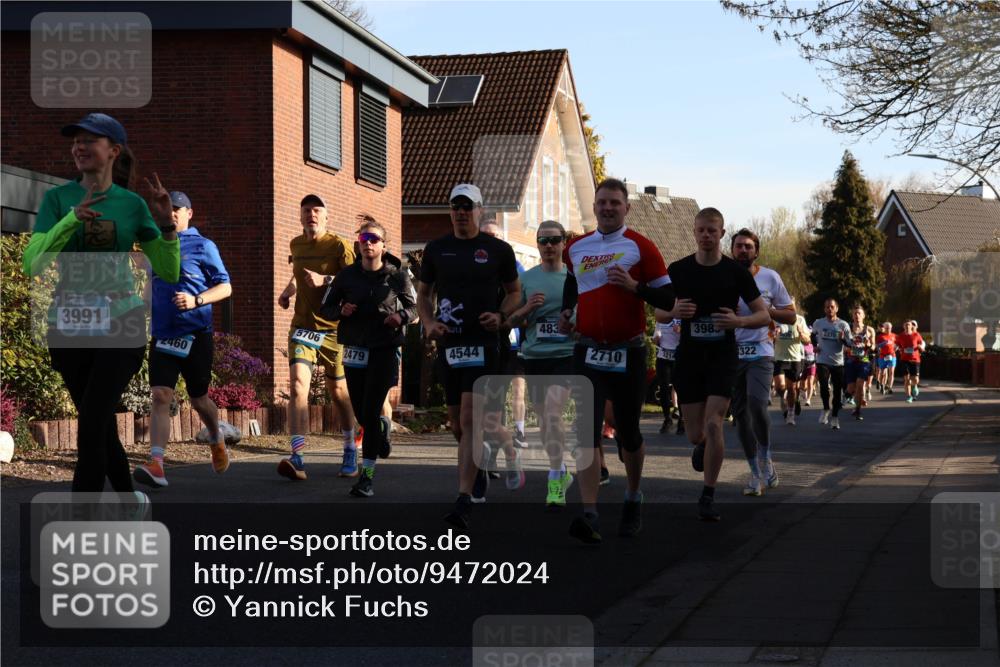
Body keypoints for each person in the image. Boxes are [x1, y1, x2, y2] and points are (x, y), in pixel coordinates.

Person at [23, 112, 179, 492]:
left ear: (113, 151)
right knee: (100, 424)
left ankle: (83, 517)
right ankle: (128, 500)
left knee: (92, 422)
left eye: (89, 140)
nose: (78, 146)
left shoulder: (132, 205)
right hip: (69, 323)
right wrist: (71, 220)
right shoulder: (57, 199)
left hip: (120, 322)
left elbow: (169, 271)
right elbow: (33, 263)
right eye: (75, 141)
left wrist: (167, 225)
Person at [559, 178, 676, 542]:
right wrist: (567, 312)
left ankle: (633, 495)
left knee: (629, 433)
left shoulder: (642, 247)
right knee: (587, 433)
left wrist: (635, 288)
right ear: (594, 207)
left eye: (615, 202)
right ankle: (590, 513)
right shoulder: (576, 247)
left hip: (629, 351)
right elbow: (572, 283)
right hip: (588, 349)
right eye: (602, 202)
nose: (607, 208)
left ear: (627, 208)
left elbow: (669, 299)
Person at [417, 184, 521, 530]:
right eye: (455, 206)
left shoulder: (497, 250)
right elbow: (424, 293)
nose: (461, 212)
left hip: (484, 344)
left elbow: (514, 293)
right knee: (457, 424)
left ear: (479, 209)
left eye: (467, 206)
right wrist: (429, 321)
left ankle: (463, 498)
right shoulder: (437, 249)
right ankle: (477, 462)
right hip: (451, 344)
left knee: (470, 416)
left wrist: (502, 317)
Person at [659, 212, 768, 521]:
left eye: (712, 230)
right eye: (701, 230)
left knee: (714, 422)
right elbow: (659, 314)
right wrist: (675, 309)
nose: (706, 235)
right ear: (694, 232)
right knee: (695, 434)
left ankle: (708, 494)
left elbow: (763, 315)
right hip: (690, 356)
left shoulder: (735, 272)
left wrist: (739, 321)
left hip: (722, 356)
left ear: (721, 233)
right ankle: (702, 447)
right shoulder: (678, 270)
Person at [134, 191, 232, 488]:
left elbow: (225, 287)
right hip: (163, 335)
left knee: (199, 399)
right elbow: (151, 287)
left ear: (190, 213)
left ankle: (216, 436)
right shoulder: (155, 248)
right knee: (161, 395)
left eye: (179, 209)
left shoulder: (204, 246)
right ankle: (157, 464)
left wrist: (195, 300)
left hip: (196, 334)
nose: (173, 213)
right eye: (169, 210)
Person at [321, 217, 416, 497]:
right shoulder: (346, 276)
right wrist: (341, 311)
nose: (368, 244)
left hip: (384, 349)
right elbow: (326, 307)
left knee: (371, 410)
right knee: (363, 414)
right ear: (358, 244)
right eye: (364, 240)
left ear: (383, 245)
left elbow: (414, 310)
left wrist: (399, 316)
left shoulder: (397, 275)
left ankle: (367, 477)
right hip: (355, 349)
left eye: (374, 239)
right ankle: (382, 426)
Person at [276, 194, 358, 481]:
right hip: (303, 327)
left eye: (317, 211)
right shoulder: (296, 244)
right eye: (306, 211)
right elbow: (298, 274)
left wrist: (326, 281)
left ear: (326, 216)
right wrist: (289, 291)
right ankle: (297, 456)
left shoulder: (338, 246)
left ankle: (350, 447)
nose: (311, 215)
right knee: (299, 386)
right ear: (300, 216)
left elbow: (355, 282)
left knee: (338, 393)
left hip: (334, 329)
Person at [507, 220, 576, 508]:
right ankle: (560, 468)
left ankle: (554, 480)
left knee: (551, 412)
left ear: (563, 243)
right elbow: (510, 321)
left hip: (566, 356)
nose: (548, 246)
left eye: (554, 240)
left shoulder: (574, 278)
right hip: (535, 357)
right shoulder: (528, 279)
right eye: (543, 240)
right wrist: (527, 308)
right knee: (547, 423)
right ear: (537, 244)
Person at [729, 229, 796, 497]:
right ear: (732, 250)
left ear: (756, 251)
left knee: (757, 404)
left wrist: (767, 312)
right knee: (741, 418)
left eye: (748, 246)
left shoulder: (770, 277)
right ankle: (754, 475)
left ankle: (766, 457)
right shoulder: (723, 276)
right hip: (732, 353)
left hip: (761, 350)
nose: (743, 250)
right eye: (738, 246)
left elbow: (790, 316)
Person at [479, 219, 530, 450]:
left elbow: (522, 297)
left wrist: (509, 320)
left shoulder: (514, 266)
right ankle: (491, 443)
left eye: (495, 236)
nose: (490, 240)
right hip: (481, 339)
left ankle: (518, 430)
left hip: (512, 339)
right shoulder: (473, 264)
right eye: (485, 235)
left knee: (516, 388)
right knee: (486, 397)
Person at [812, 298, 852, 430]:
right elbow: (813, 335)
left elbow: (850, 343)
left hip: (838, 362)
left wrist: (842, 339)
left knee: (837, 391)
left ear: (837, 309)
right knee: (823, 386)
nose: (830, 309)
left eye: (832, 307)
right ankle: (825, 408)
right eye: (827, 307)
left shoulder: (843, 325)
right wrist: (815, 346)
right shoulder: (819, 323)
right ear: (824, 309)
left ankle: (834, 417)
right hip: (823, 360)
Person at [773, 298, 811, 426]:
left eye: (791, 307)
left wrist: (801, 334)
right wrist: (773, 335)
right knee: (780, 387)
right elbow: (767, 337)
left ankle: (790, 413)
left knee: (792, 388)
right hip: (778, 357)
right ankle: (784, 400)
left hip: (795, 358)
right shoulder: (775, 319)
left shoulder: (800, 320)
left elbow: (807, 341)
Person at [844, 306, 876, 420]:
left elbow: (873, 346)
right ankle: (847, 395)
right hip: (850, 361)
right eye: (855, 313)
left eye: (859, 313)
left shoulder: (869, 330)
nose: (857, 315)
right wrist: (846, 348)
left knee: (860, 384)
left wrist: (869, 345)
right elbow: (843, 345)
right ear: (852, 316)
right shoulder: (847, 329)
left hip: (864, 360)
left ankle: (857, 410)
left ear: (863, 316)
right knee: (851, 388)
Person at [652, 314, 682, 434]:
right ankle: (667, 419)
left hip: (678, 357)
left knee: (680, 389)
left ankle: (682, 420)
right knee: (663, 389)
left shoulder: (681, 318)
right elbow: (655, 338)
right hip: (663, 357)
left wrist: (680, 330)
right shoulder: (661, 319)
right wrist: (656, 339)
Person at [897, 319, 926, 402]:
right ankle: (909, 396)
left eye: (909, 325)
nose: (907, 326)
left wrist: (921, 348)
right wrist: (897, 348)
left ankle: (915, 386)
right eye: (906, 325)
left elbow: (921, 343)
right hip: (904, 359)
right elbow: (897, 345)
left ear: (911, 326)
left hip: (915, 359)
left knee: (915, 379)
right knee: (907, 379)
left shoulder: (916, 335)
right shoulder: (900, 336)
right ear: (903, 326)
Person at [875, 321, 898, 394]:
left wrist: (896, 348)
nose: (889, 329)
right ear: (884, 328)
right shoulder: (880, 336)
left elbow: (898, 344)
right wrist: (883, 344)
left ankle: (890, 387)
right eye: (887, 328)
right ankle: (882, 384)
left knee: (891, 372)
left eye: (890, 328)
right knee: (883, 373)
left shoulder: (894, 336)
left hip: (892, 356)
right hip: (883, 357)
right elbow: (877, 346)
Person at [801, 339, 817, 406]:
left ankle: (808, 400)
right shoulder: (801, 346)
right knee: (803, 385)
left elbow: (817, 354)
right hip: (803, 366)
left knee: (810, 382)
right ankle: (804, 391)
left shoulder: (814, 346)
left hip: (812, 365)